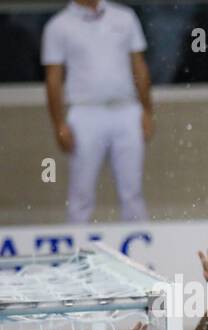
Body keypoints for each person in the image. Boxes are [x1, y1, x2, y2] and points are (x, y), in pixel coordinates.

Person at [42, 0, 154, 223]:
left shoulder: (125, 17)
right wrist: (59, 124)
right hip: (85, 113)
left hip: (126, 109)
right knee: (81, 195)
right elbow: (53, 79)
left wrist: (147, 110)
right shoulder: (58, 25)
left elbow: (138, 66)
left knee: (132, 192)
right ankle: (78, 251)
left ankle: (140, 253)